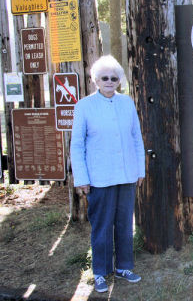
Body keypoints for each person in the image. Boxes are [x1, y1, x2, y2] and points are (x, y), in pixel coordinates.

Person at [70, 55, 145, 293]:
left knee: (124, 224)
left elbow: (136, 138)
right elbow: (77, 145)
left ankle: (124, 267)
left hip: (126, 176)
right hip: (99, 178)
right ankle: (101, 272)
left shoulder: (127, 103)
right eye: (105, 78)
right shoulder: (84, 106)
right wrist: (81, 178)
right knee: (101, 227)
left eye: (114, 78)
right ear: (96, 80)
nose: (109, 82)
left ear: (119, 80)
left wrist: (139, 170)